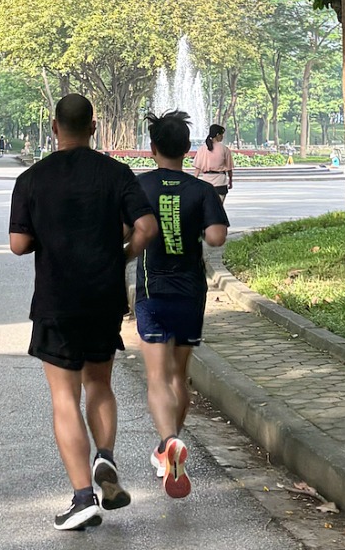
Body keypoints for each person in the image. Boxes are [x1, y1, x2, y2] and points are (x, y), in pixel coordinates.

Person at [9, 94, 159, 531]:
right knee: (99, 384)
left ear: (54, 127)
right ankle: (105, 457)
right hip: (103, 296)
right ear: (93, 128)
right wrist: (122, 255)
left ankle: (81, 498)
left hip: (56, 300)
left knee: (64, 397)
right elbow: (147, 227)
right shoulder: (116, 173)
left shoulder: (32, 179)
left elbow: (18, 244)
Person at [135, 111, 229, 499]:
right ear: (187, 149)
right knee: (179, 375)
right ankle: (170, 444)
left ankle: (168, 443)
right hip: (190, 291)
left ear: (152, 148)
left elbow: (125, 232)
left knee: (157, 377)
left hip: (152, 291)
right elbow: (216, 237)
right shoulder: (201, 190)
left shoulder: (139, 186)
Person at [193, 124, 234, 203]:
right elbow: (229, 168)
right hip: (220, 182)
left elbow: (197, 169)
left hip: (206, 182)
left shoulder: (202, 149)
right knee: (218, 207)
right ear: (218, 135)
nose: (222, 137)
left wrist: (194, 182)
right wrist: (230, 181)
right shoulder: (224, 149)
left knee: (207, 207)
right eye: (222, 135)